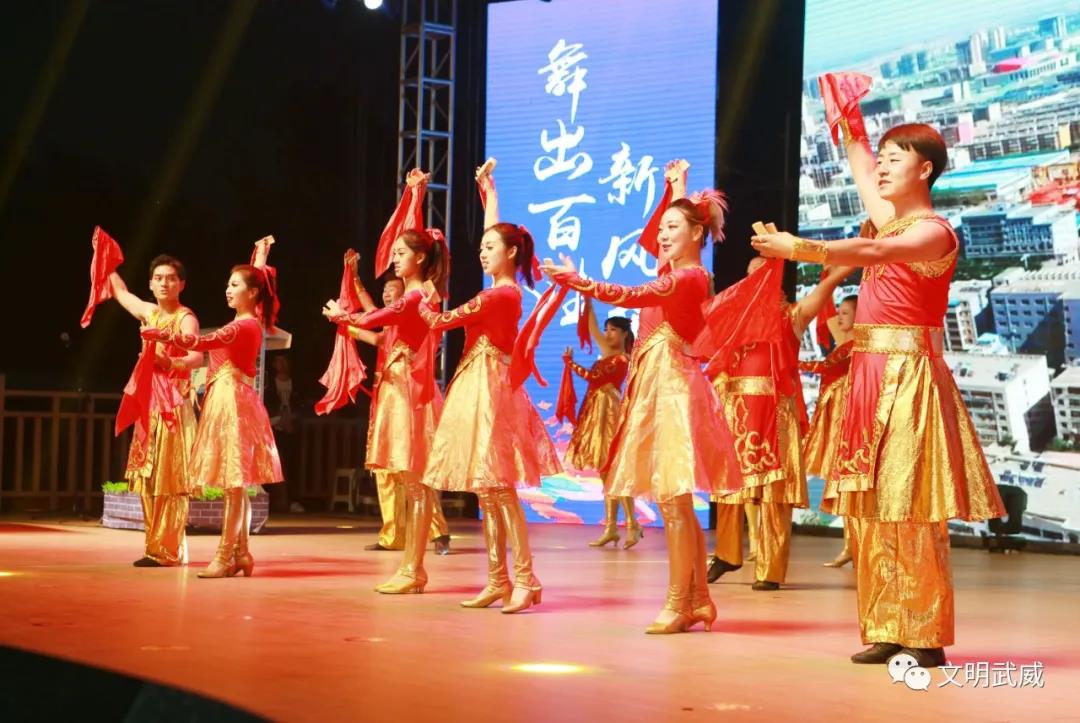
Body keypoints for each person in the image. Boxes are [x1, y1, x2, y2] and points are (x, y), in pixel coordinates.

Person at [752, 84, 1004, 666]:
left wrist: (797, 247)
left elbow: (872, 256)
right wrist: (847, 118)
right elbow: (860, 164)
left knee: (908, 504)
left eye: (896, 159)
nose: (882, 169)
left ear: (926, 169)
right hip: (869, 375)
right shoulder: (890, 221)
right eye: (884, 159)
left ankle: (925, 633)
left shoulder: (932, 232)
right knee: (870, 505)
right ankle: (887, 624)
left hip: (907, 377)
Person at [541, 175, 741, 634]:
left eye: (673, 227)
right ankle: (698, 600)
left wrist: (578, 281)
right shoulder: (675, 273)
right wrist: (677, 188)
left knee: (673, 500)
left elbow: (630, 296)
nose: (662, 235)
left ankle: (679, 602)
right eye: (661, 227)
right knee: (676, 503)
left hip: (672, 389)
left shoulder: (688, 278)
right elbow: (655, 270)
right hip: (659, 385)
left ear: (697, 233)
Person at [387, 160, 560, 613]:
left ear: (512, 254)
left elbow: (440, 322)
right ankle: (498, 579)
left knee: (500, 488)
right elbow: (494, 233)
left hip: (492, 391)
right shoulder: (500, 287)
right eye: (481, 247)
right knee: (487, 489)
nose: (482, 253)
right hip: (478, 385)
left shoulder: (500, 294)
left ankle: (526, 578)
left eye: (490, 248)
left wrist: (418, 301)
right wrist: (490, 191)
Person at [325, 169, 455, 579]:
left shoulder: (417, 295)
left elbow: (377, 318)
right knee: (398, 469)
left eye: (400, 252)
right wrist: (413, 195)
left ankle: (419, 557)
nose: (394, 258)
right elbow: (378, 317)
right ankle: (404, 551)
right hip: (394, 386)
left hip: (407, 388)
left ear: (419, 258)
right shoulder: (418, 292)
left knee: (412, 470)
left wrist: (343, 316)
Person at [141, 236, 284, 578]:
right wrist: (261, 256)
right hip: (231, 398)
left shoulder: (242, 325)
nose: (227, 290)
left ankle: (224, 556)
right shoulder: (251, 319)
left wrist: (161, 335)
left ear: (252, 293)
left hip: (232, 401)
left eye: (234, 285)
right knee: (237, 484)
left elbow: (200, 342)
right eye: (228, 284)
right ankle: (242, 553)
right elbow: (258, 281)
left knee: (233, 483)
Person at [708, 257, 852, 590]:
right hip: (738, 409)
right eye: (748, 274)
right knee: (730, 485)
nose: (752, 280)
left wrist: (844, 266)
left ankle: (770, 571)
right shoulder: (736, 318)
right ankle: (727, 554)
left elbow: (824, 289)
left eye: (759, 273)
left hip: (773, 411)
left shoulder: (791, 315)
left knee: (774, 493)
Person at [109, 256, 201, 567]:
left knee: (170, 478)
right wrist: (106, 264)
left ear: (181, 284)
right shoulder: (149, 313)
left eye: (171, 278)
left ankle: (168, 550)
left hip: (173, 404)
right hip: (149, 403)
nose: (164, 283)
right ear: (150, 283)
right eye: (159, 278)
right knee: (148, 477)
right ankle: (155, 548)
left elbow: (196, 356)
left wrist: (169, 362)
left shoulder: (185, 318)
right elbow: (122, 294)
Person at [562, 298, 639, 549]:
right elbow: (592, 326)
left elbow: (594, 376)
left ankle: (633, 524)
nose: (607, 334)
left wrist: (570, 364)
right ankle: (611, 528)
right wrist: (586, 299)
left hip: (609, 413)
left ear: (624, 333)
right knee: (605, 473)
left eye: (613, 330)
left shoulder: (623, 359)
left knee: (614, 471)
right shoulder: (607, 352)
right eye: (607, 330)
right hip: (597, 411)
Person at [800, 292, 858, 568]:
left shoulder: (855, 346)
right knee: (844, 483)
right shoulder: (846, 343)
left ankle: (853, 546)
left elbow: (826, 366)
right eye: (840, 312)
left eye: (846, 312)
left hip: (847, 421)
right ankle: (850, 545)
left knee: (849, 481)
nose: (839, 317)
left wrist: (794, 363)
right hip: (838, 418)